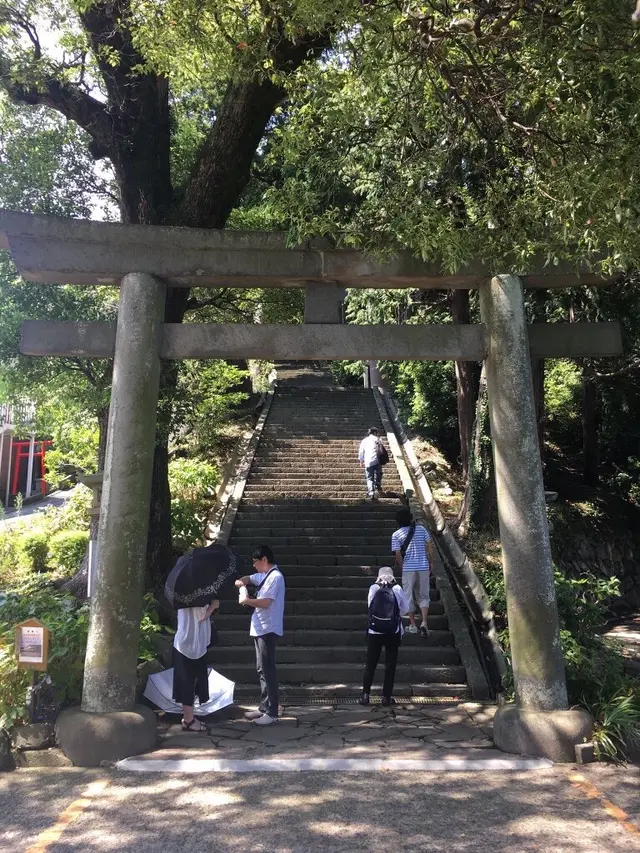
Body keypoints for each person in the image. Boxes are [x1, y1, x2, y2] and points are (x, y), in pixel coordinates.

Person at [234, 545, 285, 726]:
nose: (254, 566)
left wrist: (246, 600)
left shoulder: (276, 577)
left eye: (255, 562)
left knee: (268, 669)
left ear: (264, 560)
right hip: (259, 628)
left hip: (268, 629)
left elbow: (265, 602)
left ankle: (272, 712)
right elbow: (248, 578)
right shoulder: (264, 575)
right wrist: (242, 582)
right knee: (261, 668)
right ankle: (264, 707)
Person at [359, 566, 410, 706]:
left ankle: (365, 695)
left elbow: (370, 607)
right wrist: (393, 616)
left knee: (370, 663)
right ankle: (386, 697)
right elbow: (406, 609)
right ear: (392, 575)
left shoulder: (373, 588)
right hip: (392, 631)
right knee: (390, 664)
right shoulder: (397, 589)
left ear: (379, 575)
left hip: (374, 631)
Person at [173, 598, 219, 732]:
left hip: (190, 642)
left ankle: (189, 717)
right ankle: (188, 720)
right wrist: (213, 606)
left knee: (190, 681)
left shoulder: (181, 595)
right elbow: (202, 616)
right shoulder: (194, 597)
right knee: (188, 682)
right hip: (190, 644)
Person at [392, 507, 436, 638]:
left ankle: (412, 625)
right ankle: (424, 622)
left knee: (408, 596)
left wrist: (402, 566)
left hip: (408, 569)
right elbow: (429, 546)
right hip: (423, 567)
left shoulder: (396, 535)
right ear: (410, 518)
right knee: (423, 596)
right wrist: (431, 562)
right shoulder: (421, 529)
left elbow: (398, 554)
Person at [358, 427, 384, 500]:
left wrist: (361, 461)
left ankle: (371, 492)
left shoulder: (364, 441)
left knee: (369, 478)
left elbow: (361, 451)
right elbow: (382, 450)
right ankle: (377, 484)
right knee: (379, 473)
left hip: (368, 461)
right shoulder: (378, 439)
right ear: (375, 433)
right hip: (377, 460)